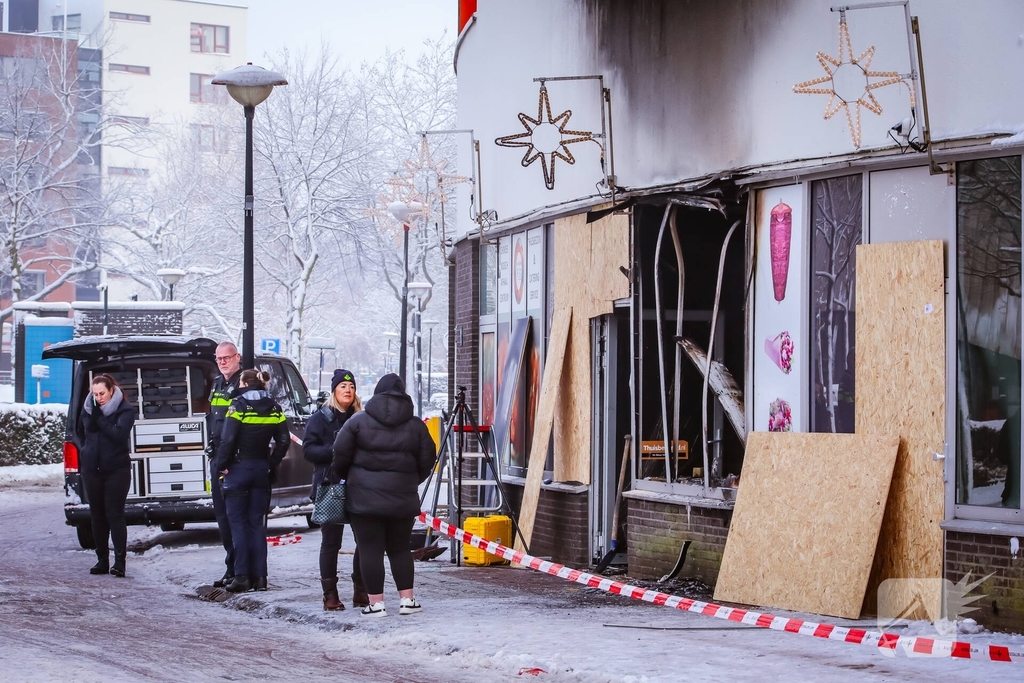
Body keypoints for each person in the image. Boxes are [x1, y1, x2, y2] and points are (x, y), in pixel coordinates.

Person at [332, 373, 436, 617]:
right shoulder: (416, 426)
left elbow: (340, 456)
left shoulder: (357, 422)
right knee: (400, 548)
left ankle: (376, 604)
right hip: (402, 499)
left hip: (363, 500)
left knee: (370, 549)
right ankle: (407, 600)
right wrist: (409, 481)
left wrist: (354, 479)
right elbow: (427, 460)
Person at [214, 369, 289, 593]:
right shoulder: (275, 407)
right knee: (256, 524)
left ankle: (242, 576)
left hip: (238, 468)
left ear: (245, 383)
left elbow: (227, 439)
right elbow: (284, 440)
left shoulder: (237, 405)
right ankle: (260, 578)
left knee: (238, 523)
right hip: (261, 469)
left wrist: (221, 464)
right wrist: (271, 463)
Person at [303, 369, 367, 610]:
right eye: (343, 386)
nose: (348, 390)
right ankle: (330, 595)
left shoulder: (362, 418)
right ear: (334, 391)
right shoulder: (319, 419)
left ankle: (361, 590)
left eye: (351, 387)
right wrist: (335, 449)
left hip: (358, 486)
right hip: (329, 487)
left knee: (365, 540)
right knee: (331, 542)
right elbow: (308, 450)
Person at [79, 373, 136, 577]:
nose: (98, 398)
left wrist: (100, 419)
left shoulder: (125, 410)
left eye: (102, 393)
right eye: (95, 394)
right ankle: (102, 560)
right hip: (92, 469)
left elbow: (119, 435)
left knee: (114, 514)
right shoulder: (88, 408)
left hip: (116, 469)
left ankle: (119, 562)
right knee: (97, 515)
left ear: (111, 390)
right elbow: (84, 431)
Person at [206, 341, 243, 587]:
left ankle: (240, 570)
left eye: (226, 358)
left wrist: (230, 457)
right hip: (218, 458)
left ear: (237, 357)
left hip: (235, 461)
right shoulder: (218, 383)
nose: (222, 362)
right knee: (222, 517)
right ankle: (230, 567)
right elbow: (214, 420)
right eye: (218, 358)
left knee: (235, 517)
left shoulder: (244, 383)